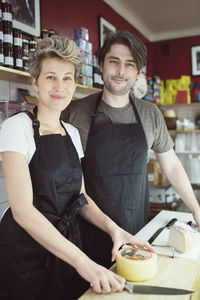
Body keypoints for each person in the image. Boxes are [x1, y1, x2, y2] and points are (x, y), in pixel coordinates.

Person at [0, 35, 155, 300]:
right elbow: (22, 211)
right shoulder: (16, 128)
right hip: (26, 253)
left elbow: (80, 199)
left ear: (76, 83)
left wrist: (114, 229)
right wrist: (84, 262)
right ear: (35, 82)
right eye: (50, 77)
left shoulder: (71, 132)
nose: (59, 86)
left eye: (67, 77)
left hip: (67, 247)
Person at [62, 30, 200, 268]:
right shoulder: (73, 112)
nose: (120, 71)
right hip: (84, 236)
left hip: (138, 232)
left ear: (138, 72)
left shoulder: (150, 114)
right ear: (101, 64)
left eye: (129, 64)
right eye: (114, 61)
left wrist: (196, 209)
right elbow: (65, 179)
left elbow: (172, 165)